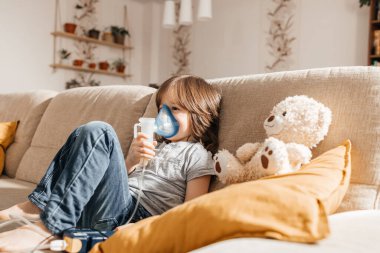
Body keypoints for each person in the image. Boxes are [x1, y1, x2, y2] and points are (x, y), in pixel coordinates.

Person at [0, 75, 221, 252]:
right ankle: (39, 204)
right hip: (101, 208)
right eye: (162, 108)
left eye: (174, 109)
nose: (164, 115)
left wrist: (144, 228)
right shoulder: (154, 145)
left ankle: (48, 227)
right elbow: (111, 181)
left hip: (131, 217)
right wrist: (131, 162)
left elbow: (191, 212)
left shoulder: (197, 154)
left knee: (101, 132)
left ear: (200, 113)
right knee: (84, 133)